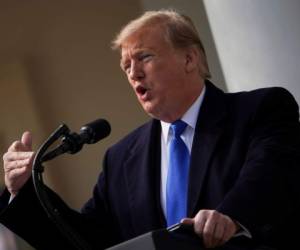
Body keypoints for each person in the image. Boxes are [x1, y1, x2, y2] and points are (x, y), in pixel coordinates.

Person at [1, 9, 300, 250]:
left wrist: (232, 217)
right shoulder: (119, 159)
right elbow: (85, 239)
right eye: (126, 66)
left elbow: (269, 177)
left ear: (189, 58)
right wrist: (24, 191)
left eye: (144, 56)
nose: (133, 73)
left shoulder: (261, 110)